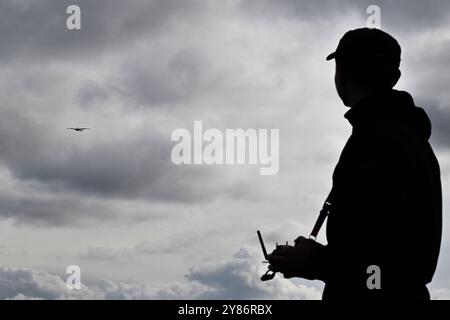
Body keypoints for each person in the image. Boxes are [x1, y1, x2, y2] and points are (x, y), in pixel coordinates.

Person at [267, 28, 442, 299]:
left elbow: (380, 262)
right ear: (394, 77)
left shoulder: (375, 140)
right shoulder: (414, 141)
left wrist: (310, 261)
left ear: (341, 74)